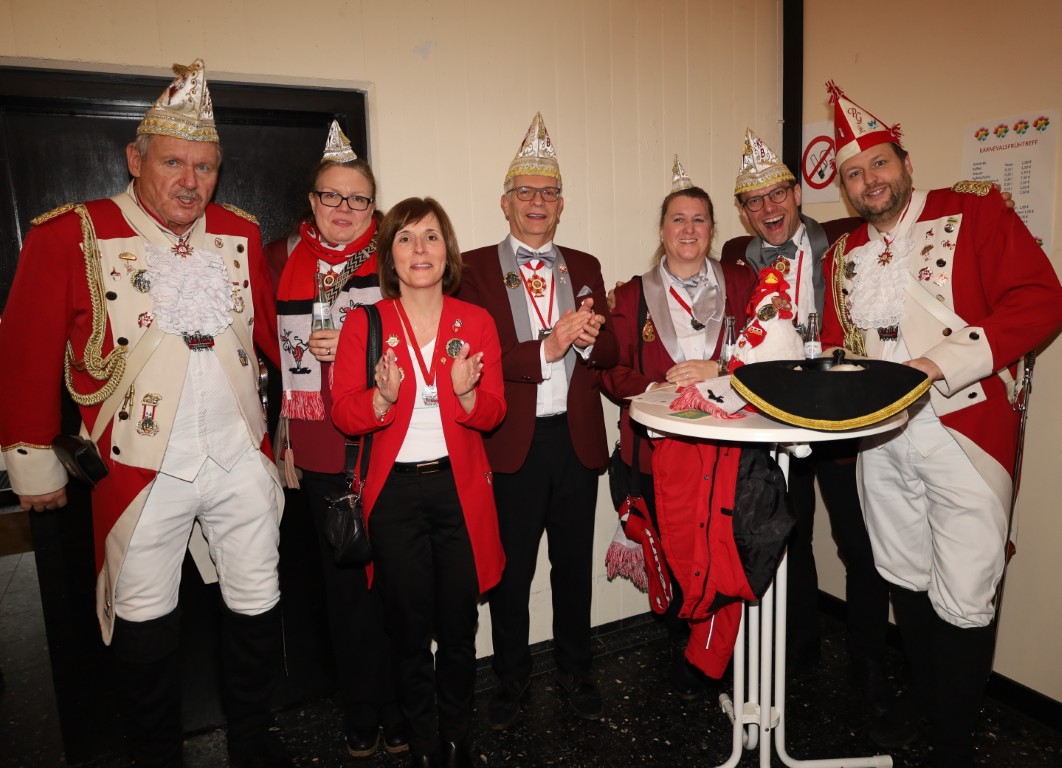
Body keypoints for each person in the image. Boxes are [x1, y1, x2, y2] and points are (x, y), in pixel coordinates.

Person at [0, 60, 289, 767]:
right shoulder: (72, 233)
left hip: (237, 457)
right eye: (173, 163)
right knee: (143, 619)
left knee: (258, 601)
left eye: (205, 167)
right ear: (136, 160)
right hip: (140, 468)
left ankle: (253, 741)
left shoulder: (238, 232)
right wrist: (30, 459)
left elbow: (271, 338)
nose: (191, 181)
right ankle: (155, 755)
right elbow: (27, 347)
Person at [820, 81, 1062, 768]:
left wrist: (937, 362)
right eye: (853, 174)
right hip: (881, 438)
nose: (869, 180)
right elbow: (839, 344)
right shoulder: (843, 255)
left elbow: (1041, 301)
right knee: (904, 574)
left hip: (964, 429)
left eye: (879, 163)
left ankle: (953, 744)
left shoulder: (974, 212)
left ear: (905, 163)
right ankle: (929, 711)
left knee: (968, 587)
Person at [331, 197, 506, 768]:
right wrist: (381, 397)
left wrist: (466, 393)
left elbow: (494, 413)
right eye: (405, 239)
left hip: (459, 491)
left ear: (447, 251)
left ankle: (457, 739)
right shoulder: (365, 322)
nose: (419, 249)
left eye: (430, 237)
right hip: (395, 498)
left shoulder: (475, 322)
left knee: (458, 629)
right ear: (391, 256)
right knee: (407, 632)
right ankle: (424, 747)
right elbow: (344, 414)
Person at [459, 113, 618, 728]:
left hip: (576, 442)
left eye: (548, 192)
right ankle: (511, 679)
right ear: (505, 203)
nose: (537, 202)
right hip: (512, 445)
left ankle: (577, 671)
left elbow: (610, 354)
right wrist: (547, 348)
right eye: (525, 192)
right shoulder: (473, 269)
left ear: (561, 205)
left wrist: (589, 340)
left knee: (573, 569)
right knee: (511, 573)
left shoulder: (585, 264)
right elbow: (477, 360)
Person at [720, 129, 890, 707]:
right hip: (774, 420)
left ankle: (869, 661)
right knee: (787, 535)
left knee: (858, 541)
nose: (768, 208)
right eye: (754, 201)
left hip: (840, 416)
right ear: (743, 212)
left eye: (777, 194)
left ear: (797, 195)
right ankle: (799, 647)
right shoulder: (735, 256)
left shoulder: (843, 238)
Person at [269, 121, 407, 759]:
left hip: (388, 443)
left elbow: (420, 338)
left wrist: (356, 350)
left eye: (357, 199)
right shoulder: (279, 261)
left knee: (398, 585)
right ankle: (360, 710)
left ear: (373, 207)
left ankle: (400, 706)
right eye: (331, 196)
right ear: (313, 201)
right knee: (345, 589)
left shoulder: (397, 259)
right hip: (322, 451)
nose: (343, 208)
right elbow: (262, 343)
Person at [600, 156, 755, 697]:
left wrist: (721, 369)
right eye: (678, 219)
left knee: (723, 554)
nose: (689, 229)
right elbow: (610, 371)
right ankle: (687, 653)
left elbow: (770, 352)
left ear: (713, 229)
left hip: (730, 451)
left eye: (699, 220)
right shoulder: (630, 294)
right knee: (673, 556)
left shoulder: (744, 281)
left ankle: (721, 654)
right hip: (656, 454)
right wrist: (658, 388)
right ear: (662, 229)